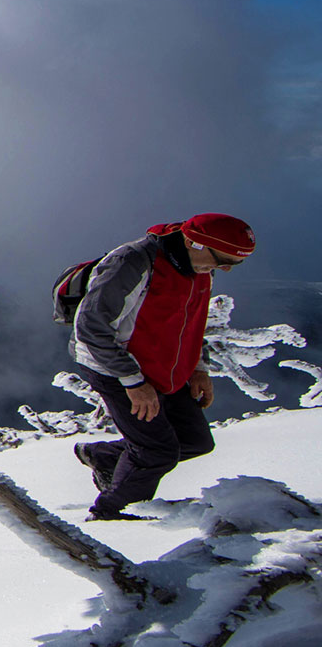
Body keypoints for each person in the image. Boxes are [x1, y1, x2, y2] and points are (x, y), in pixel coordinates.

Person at [68, 213, 252, 521]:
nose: (225, 268)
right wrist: (133, 382)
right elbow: (91, 327)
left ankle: (105, 457)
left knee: (195, 441)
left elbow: (189, 323)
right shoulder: (134, 262)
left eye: (234, 262)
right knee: (156, 452)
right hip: (114, 366)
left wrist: (198, 368)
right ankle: (110, 518)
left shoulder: (198, 267)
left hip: (164, 366)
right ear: (195, 242)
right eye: (222, 259)